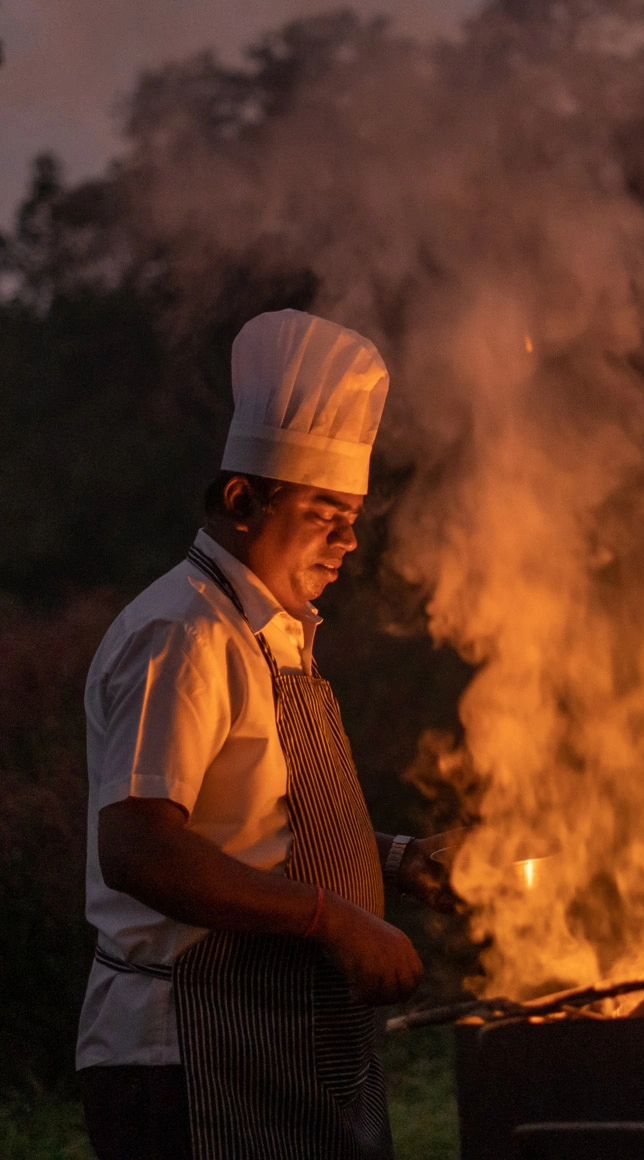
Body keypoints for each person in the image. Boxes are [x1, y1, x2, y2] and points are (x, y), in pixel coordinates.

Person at [76, 309, 453, 1160]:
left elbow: (245, 821)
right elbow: (139, 847)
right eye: (326, 512)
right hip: (187, 1056)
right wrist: (337, 919)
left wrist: (391, 860)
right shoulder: (184, 633)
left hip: (278, 1044)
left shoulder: (270, 631)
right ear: (243, 500)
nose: (350, 539)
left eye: (354, 514)